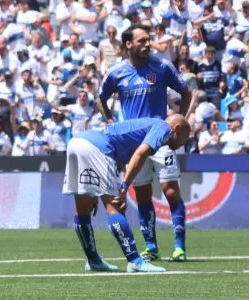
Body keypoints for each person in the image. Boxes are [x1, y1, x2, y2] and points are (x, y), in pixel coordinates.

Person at [98, 25, 192, 262]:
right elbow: (101, 98)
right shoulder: (116, 72)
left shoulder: (162, 67)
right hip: (134, 143)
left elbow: (186, 92)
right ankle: (151, 246)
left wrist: (180, 121)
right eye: (142, 41)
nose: (148, 44)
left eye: (148, 40)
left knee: (171, 191)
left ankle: (179, 246)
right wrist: (109, 121)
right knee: (142, 195)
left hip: (161, 138)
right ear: (128, 44)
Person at [63, 114, 190, 274]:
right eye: (185, 137)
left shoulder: (144, 129)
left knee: (82, 209)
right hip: (98, 147)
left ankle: (93, 260)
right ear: (177, 128)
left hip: (77, 142)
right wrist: (124, 187)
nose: (184, 142)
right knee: (114, 206)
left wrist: (94, 192)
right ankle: (135, 261)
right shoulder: (163, 127)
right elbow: (140, 154)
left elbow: (121, 159)